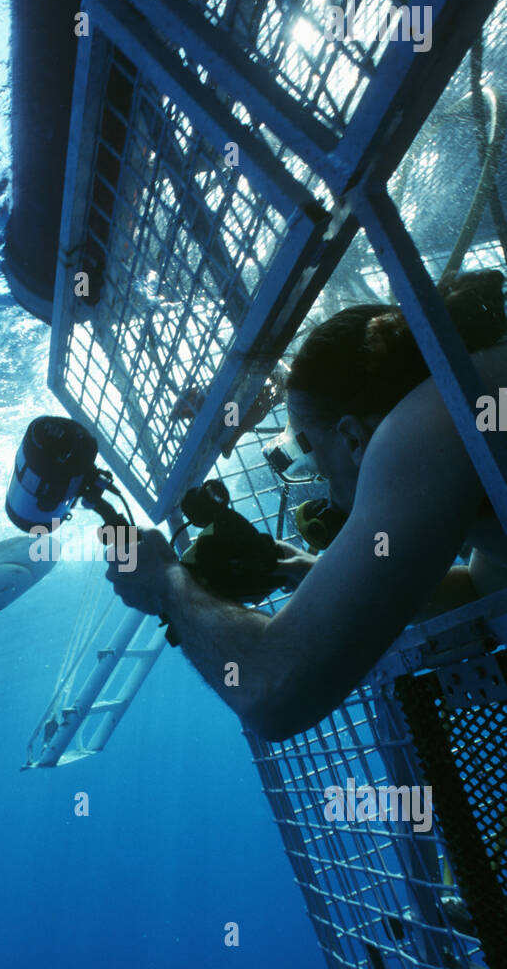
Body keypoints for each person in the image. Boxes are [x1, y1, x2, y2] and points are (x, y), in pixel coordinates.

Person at [106, 269, 507, 740]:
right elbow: (482, 589)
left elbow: (269, 695)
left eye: (313, 460)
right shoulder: (470, 402)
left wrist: (165, 580)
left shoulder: (421, 427)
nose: (328, 493)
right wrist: (313, 569)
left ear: (353, 438)